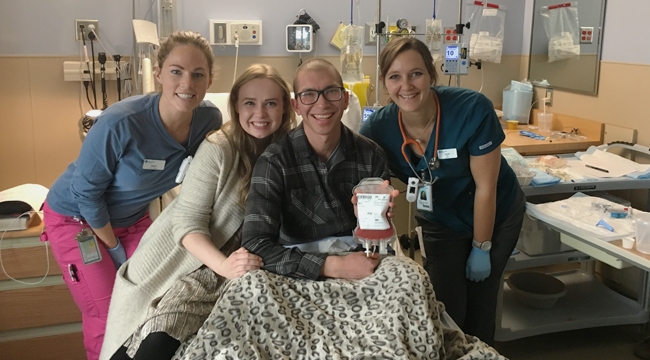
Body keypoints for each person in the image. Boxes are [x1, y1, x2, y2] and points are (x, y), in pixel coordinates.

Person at [41, 30, 222, 360]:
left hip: (132, 219)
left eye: (198, 74)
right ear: (158, 74)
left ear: (210, 79)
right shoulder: (120, 123)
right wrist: (113, 248)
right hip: (78, 219)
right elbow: (86, 193)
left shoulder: (208, 120)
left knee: (156, 295)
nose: (187, 84)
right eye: (176, 72)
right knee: (108, 309)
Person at [100, 64, 295, 360]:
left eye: (270, 103)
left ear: (285, 108)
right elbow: (187, 224)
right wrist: (226, 266)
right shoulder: (219, 148)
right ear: (236, 107)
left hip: (251, 263)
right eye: (250, 103)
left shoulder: (291, 152)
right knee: (157, 338)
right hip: (194, 261)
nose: (260, 113)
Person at [359, 37, 525, 345]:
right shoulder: (377, 130)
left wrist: (481, 246)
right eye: (395, 76)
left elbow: (486, 187)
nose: (406, 85)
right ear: (384, 82)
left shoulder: (471, 109)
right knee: (444, 305)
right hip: (441, 219)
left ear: (431, 75)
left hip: (496, 212)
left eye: (416, 73)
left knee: (480, 302)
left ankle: (479, 352)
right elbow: (372, 186)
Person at [242, 58, 393, 279]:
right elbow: (255, 244)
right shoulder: (274, 162)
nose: (321, 104)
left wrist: (374, 220)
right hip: (294, 269)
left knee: (411, 277)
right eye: (308, 94)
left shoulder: (371, 156)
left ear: (345, 100)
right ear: (296, 106)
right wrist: (332, 267)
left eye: (331, 91)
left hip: (360, 262)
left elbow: (380, 242)